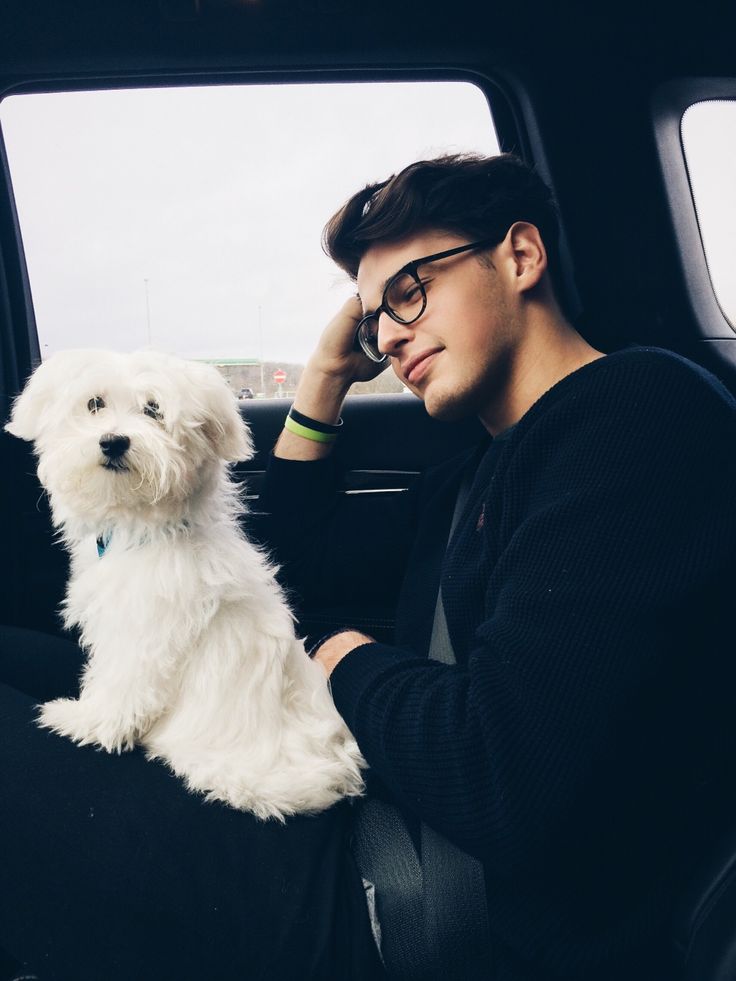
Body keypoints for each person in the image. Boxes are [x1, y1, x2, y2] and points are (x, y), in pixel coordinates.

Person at [255, 153, 736, 980]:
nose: (390, 335)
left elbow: (501, 774)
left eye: (410, 290)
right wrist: (327, 376)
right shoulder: (474, 473)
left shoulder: (639, 419)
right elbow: (282, 564)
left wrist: (334, 653)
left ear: (520, 257)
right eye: (374, 322)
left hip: (449, 916)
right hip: (391, 836)